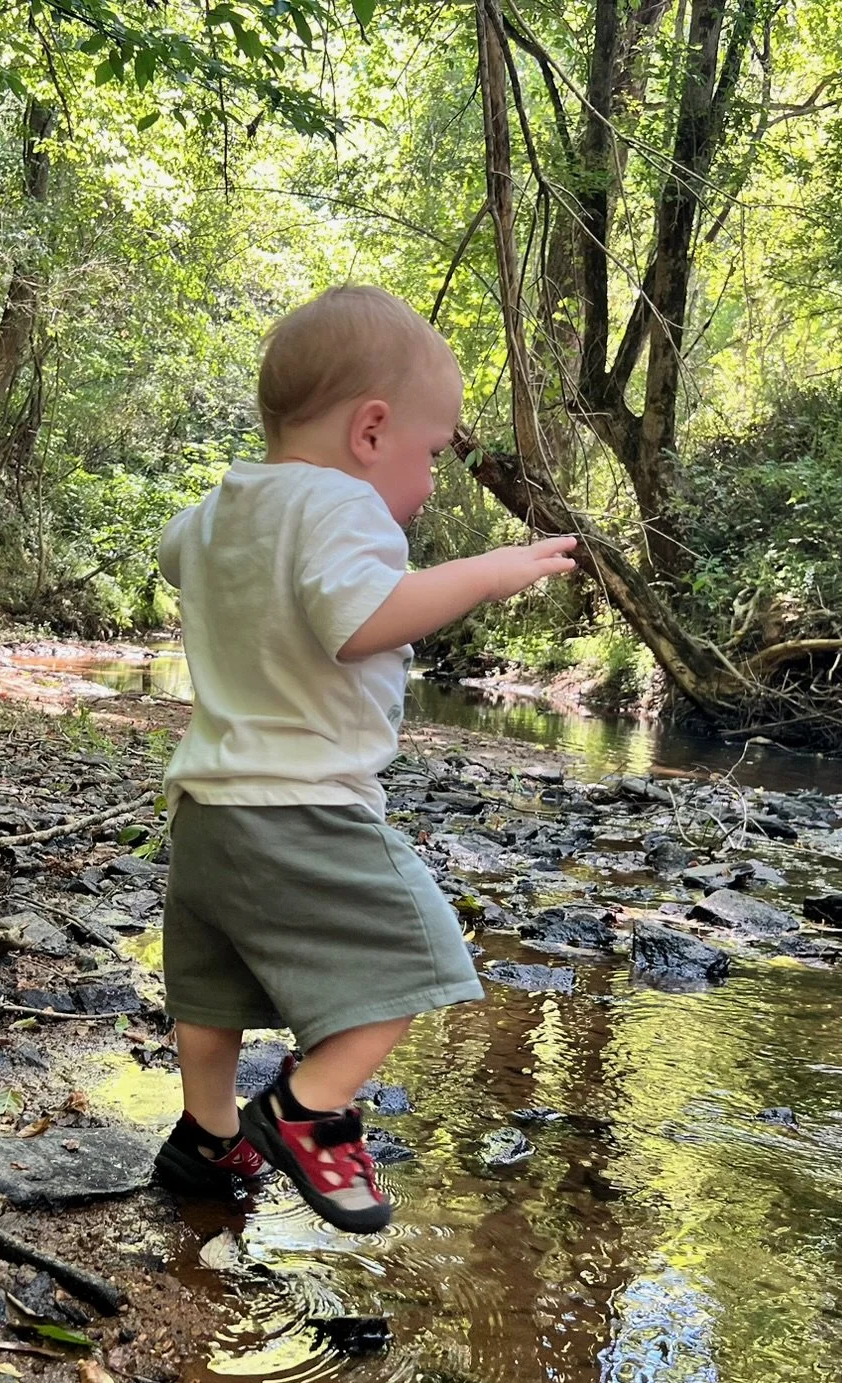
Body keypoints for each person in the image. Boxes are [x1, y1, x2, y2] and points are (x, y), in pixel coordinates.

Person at [151, 285, 578, 1232]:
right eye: (432, 456)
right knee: (421, 955)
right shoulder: (343, 505)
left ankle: (206, 1138)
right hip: (306, 804)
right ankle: (308, 1110)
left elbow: (176, 556)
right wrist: (488, 572)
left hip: (209, 810)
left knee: (213, 993)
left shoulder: (222, 506)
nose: (431, 484)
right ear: (371, 431)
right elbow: (360, 623)